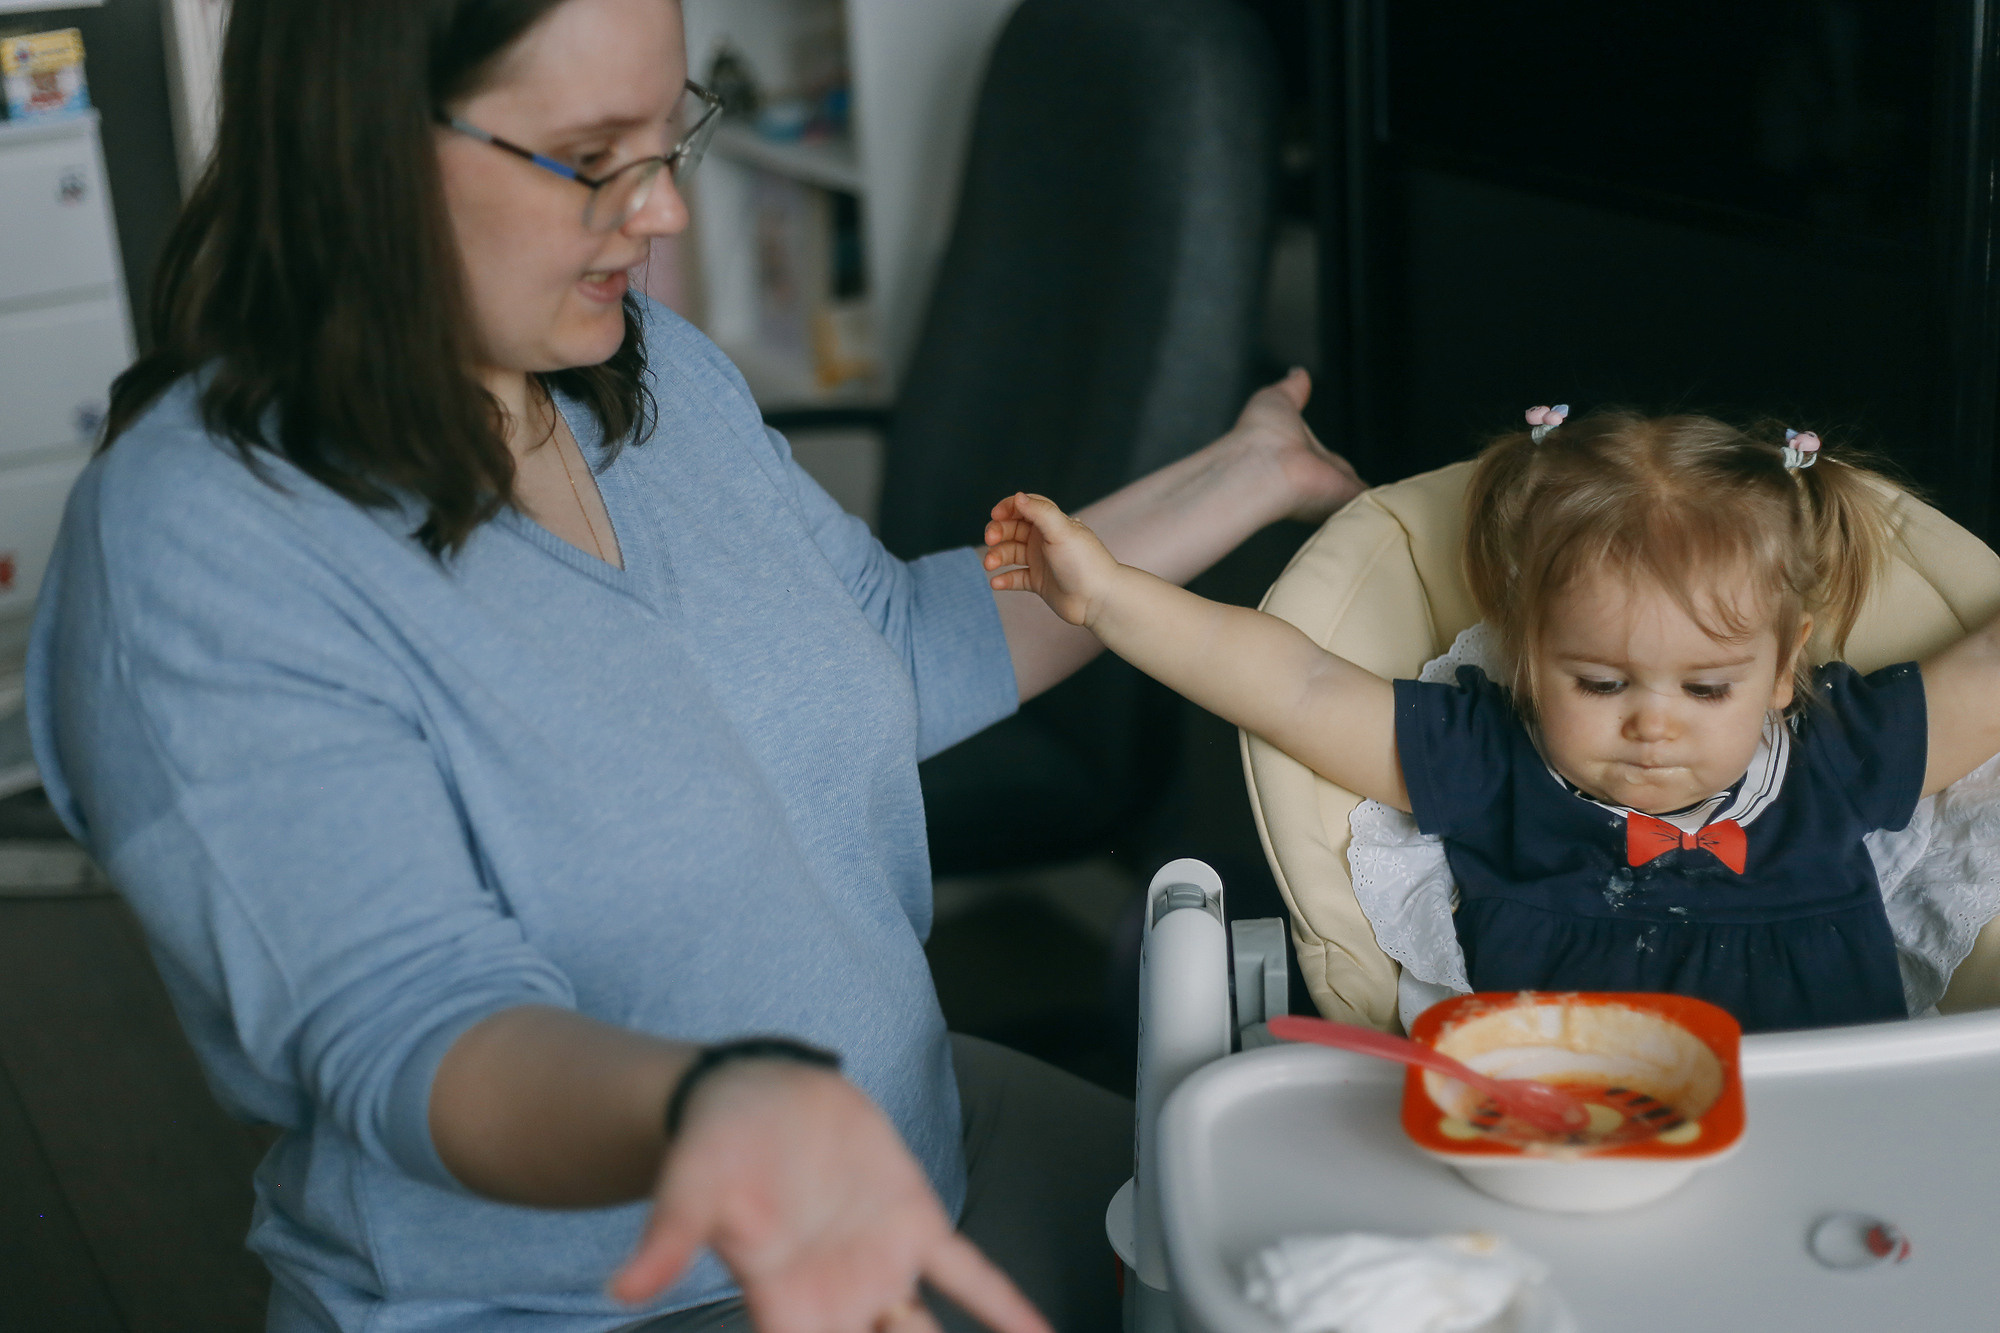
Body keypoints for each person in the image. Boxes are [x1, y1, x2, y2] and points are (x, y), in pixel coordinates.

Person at [23, 2, 1365, 1332]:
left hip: (913, 1141)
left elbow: (895, 646)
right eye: (595, 156)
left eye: (674, 139)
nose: (661, 212)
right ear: (357, 142)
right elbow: (410, 1025)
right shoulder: (202, 536)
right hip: (618, 1299)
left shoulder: (646, 373)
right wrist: (715, 1105)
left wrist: (1240, 475)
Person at [984, 405, 2000, 1034]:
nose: (1653, 724)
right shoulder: (1487, 761)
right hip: (1551, 1144)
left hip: (1829, 1137)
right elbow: (1292, 684)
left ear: (1784, 670)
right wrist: (1108, 597)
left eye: (1705, 688)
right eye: (1601, 684)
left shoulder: (1838, 753)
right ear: (1522, 657)